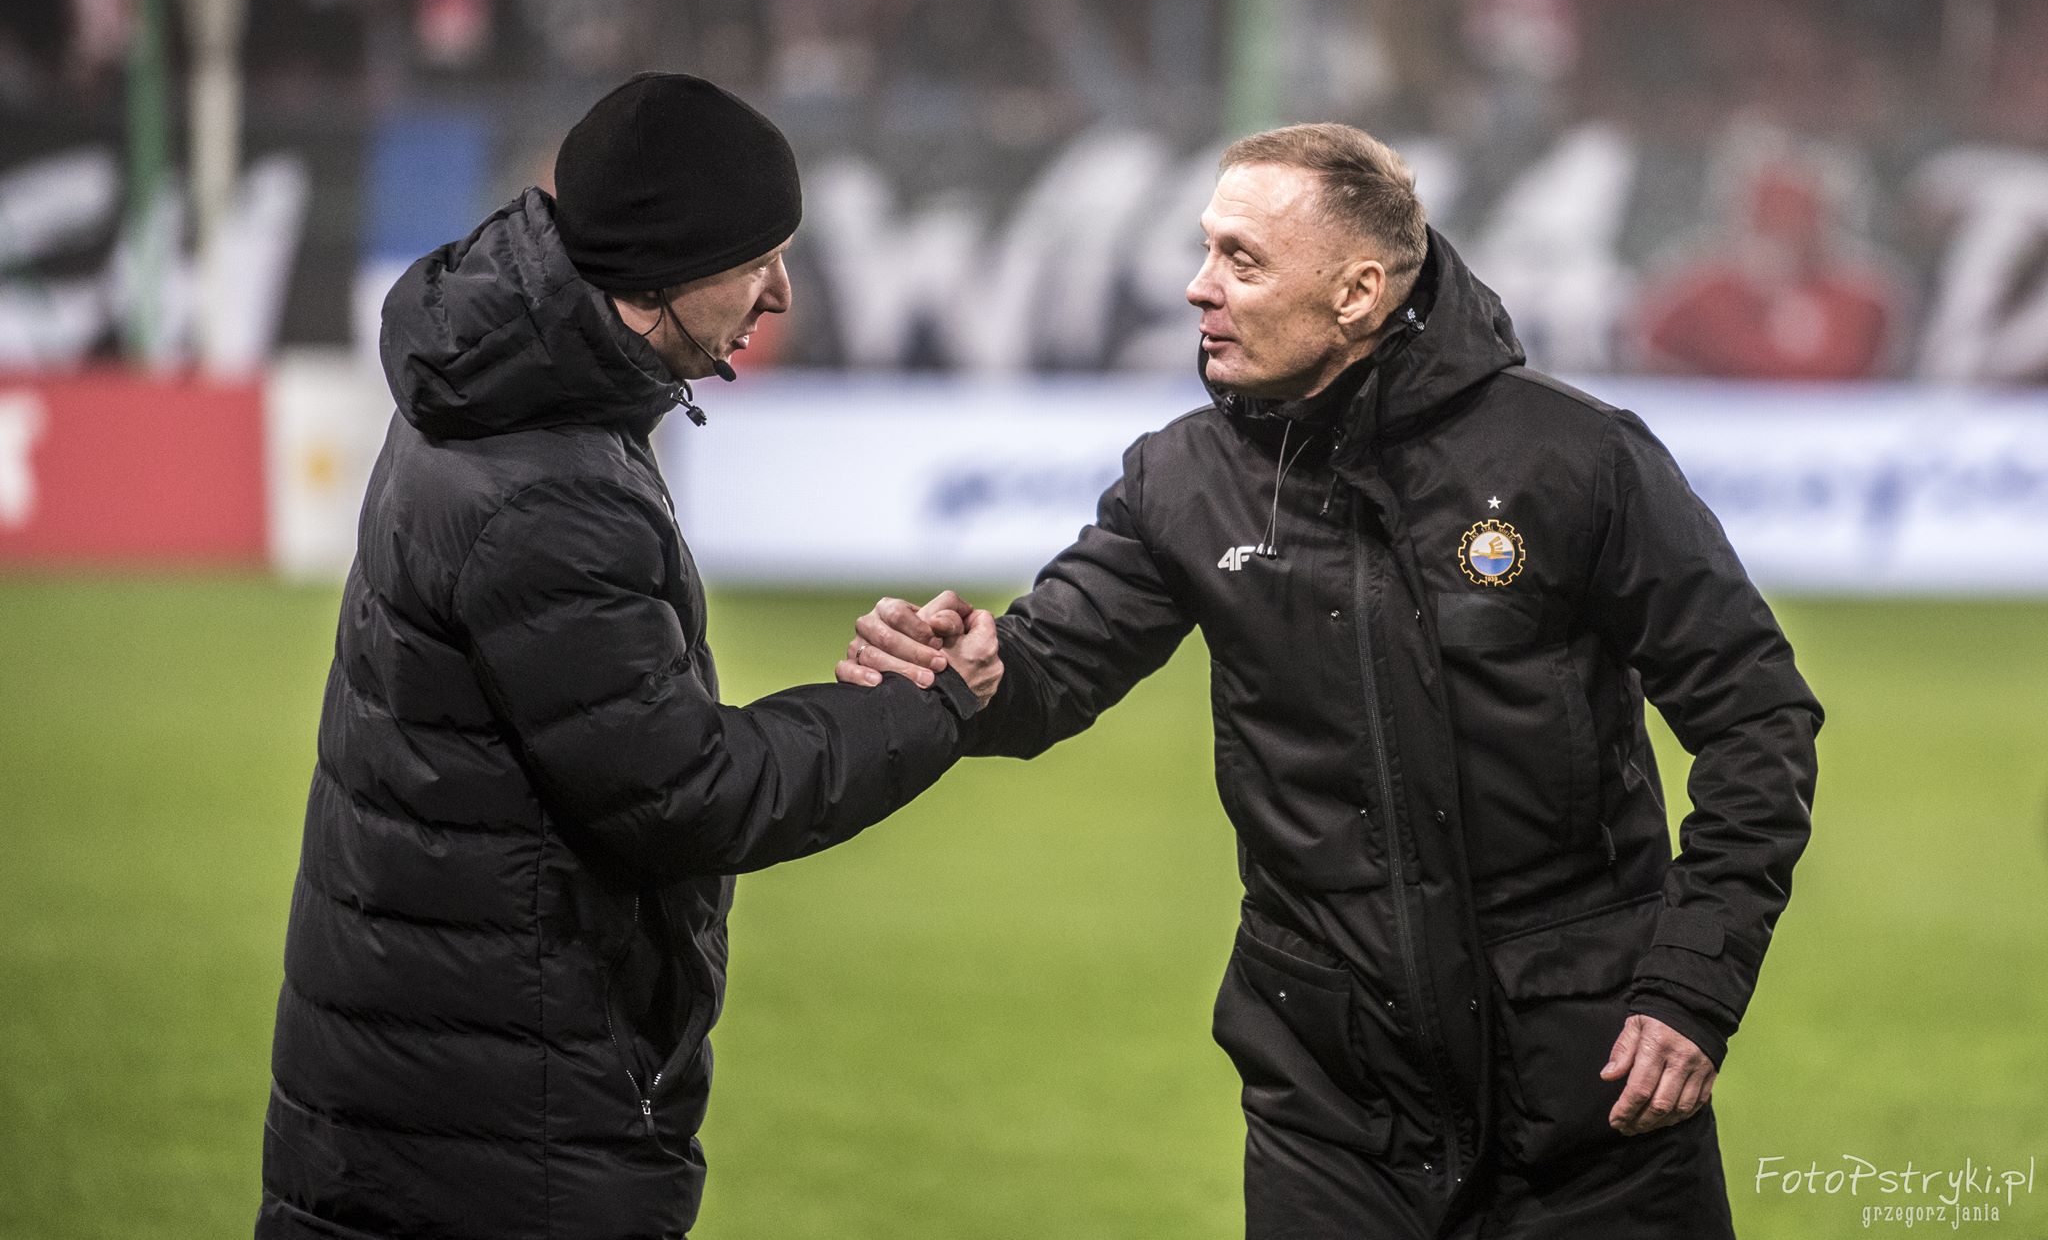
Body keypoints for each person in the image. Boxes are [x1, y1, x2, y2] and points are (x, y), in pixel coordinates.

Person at [842, 123, 1820, 1238]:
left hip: (1593, 1095)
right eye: (1205, 247)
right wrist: (977, 671)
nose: (1197, 285)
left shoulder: (1576, 458)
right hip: (1330, 1109)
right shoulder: (1180, 477)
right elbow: (1050, 666)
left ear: (1355, 294)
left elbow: (1756, 716)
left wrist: (1692, 979)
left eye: (1241, 259)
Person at [257, 72, 1000, 1240]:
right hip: (502, 1123)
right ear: (662, 270)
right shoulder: (548, 485)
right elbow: (680, 793)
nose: (780, 292)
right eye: (757, 258)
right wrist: (920, 702)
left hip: (420, 1081)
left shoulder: (495, 391)